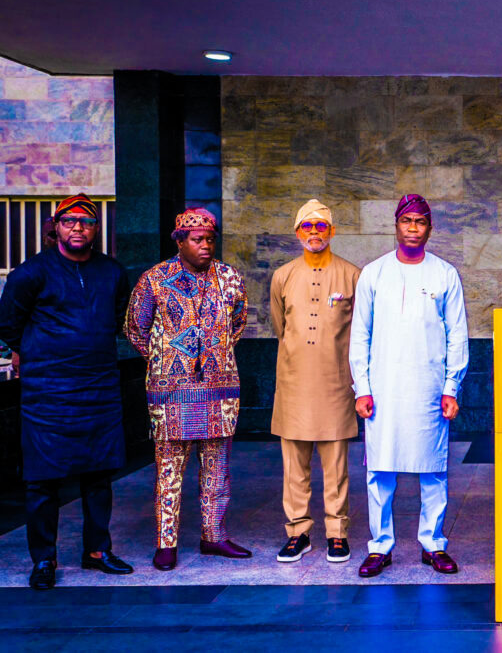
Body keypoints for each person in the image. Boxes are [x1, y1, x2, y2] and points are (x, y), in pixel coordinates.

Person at [0, 194, 134, 590]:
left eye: (87, 222)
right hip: (48, 392)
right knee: (43, 481)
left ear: (96, 229)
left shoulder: (111, 271)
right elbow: (8, 323)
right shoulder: (31, 272)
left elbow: (117, 318)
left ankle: (97, 551)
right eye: (70, 220)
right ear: (54, 227)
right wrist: (29, 353)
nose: (78, 227)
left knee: (99, 474)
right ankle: (45, 559)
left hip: (99, 387)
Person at [349, 194, 469, 578]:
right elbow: (360, 335)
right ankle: (380, 546)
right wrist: (362, 388)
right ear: (396, 225)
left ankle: (432, 544)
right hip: (383, 388)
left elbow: (458, 336)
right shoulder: (374, 273)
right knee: (379, 470)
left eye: (420, 221)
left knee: (432, 468)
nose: (413, 228)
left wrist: (452, 386)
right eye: (407, 221)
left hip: (428, 388)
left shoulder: (444, 274)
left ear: (430, 228)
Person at [125, 208, 250, 571]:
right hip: (169, 393)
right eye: (197, 240)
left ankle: (214, 536)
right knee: (169, 469)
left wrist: (214, 354)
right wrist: (168, 358)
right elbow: (136, 329)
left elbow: (238, 322)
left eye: (210, 239)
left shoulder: (228, 278)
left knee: (217, 468)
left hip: (219, 388)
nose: (206, 245)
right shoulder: (155, 279)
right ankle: (166, 543)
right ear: (180, 241)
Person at [270, 199, 361, 564]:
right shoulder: (283, 275)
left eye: (320, 226)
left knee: (336, 467)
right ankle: (298, 533)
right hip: (293, 384)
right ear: (297, 233)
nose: (313, 233)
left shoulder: (352, 275)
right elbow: (281, 326)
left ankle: (337, 534)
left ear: (332, 232)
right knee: (294, 466)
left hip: (336, 385)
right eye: (306, 227)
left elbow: (361, 330)